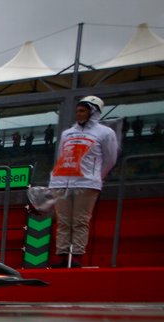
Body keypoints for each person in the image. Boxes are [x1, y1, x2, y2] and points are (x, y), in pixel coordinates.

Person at [48, 96, 120, 267]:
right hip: (61, 182)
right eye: (77, 111)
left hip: (86, 183)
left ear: (92, 112)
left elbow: (110, 159)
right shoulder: (67, 133)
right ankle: (63, 256)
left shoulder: (105, 133)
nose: (78, 114)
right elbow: (61, 157)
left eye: (82, 111)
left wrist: (96, 177)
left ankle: (77, 256)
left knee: (80, 220)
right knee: (63, 221)